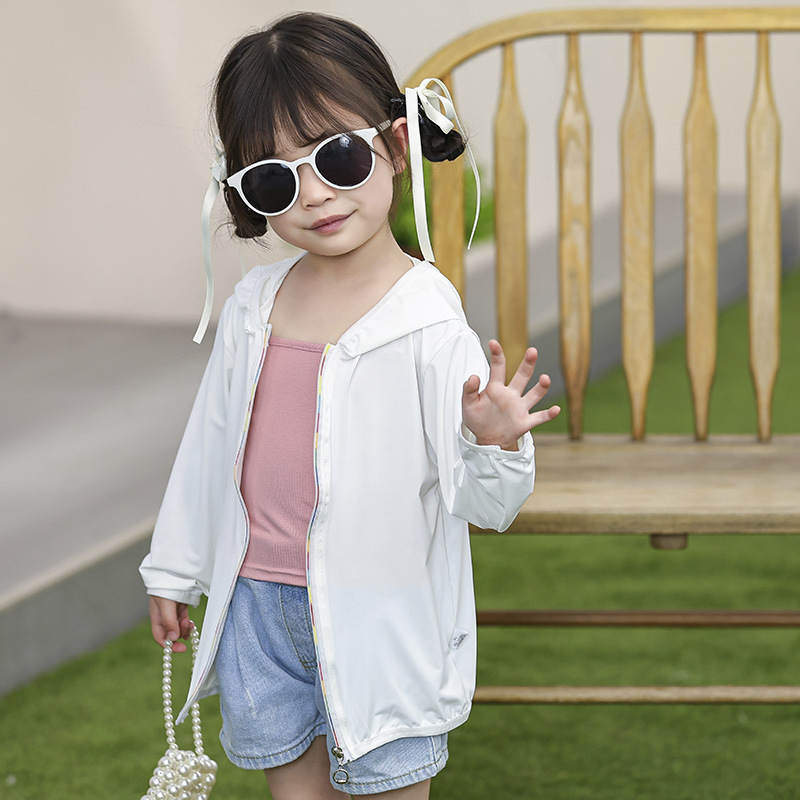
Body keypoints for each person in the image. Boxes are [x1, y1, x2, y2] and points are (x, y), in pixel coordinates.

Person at [140, 12, 560, 800]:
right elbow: (210, 449)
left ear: (396, 146)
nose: (315, 195)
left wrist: (493, 443)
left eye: (337, 156)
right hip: (255, 607)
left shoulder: (429, 322)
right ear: (244, 193)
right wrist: (174, 566)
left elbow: (489, 507)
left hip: (380, 612)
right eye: (276, 179)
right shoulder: (253, 306)